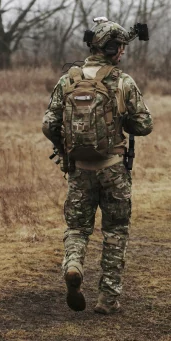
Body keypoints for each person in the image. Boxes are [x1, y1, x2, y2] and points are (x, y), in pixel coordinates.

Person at [42, 18, 153, 314]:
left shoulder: (69, 79)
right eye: (121, 48)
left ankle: (74, 264)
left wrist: (64, 150)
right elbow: (144, 125)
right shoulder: (122, 81)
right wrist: (122, 120)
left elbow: (49, 123)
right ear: (113, 49)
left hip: (79, 169)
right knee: (115, 231)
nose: (124, 53)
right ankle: (108, 299)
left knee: (77, 227)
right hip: (114, 169)